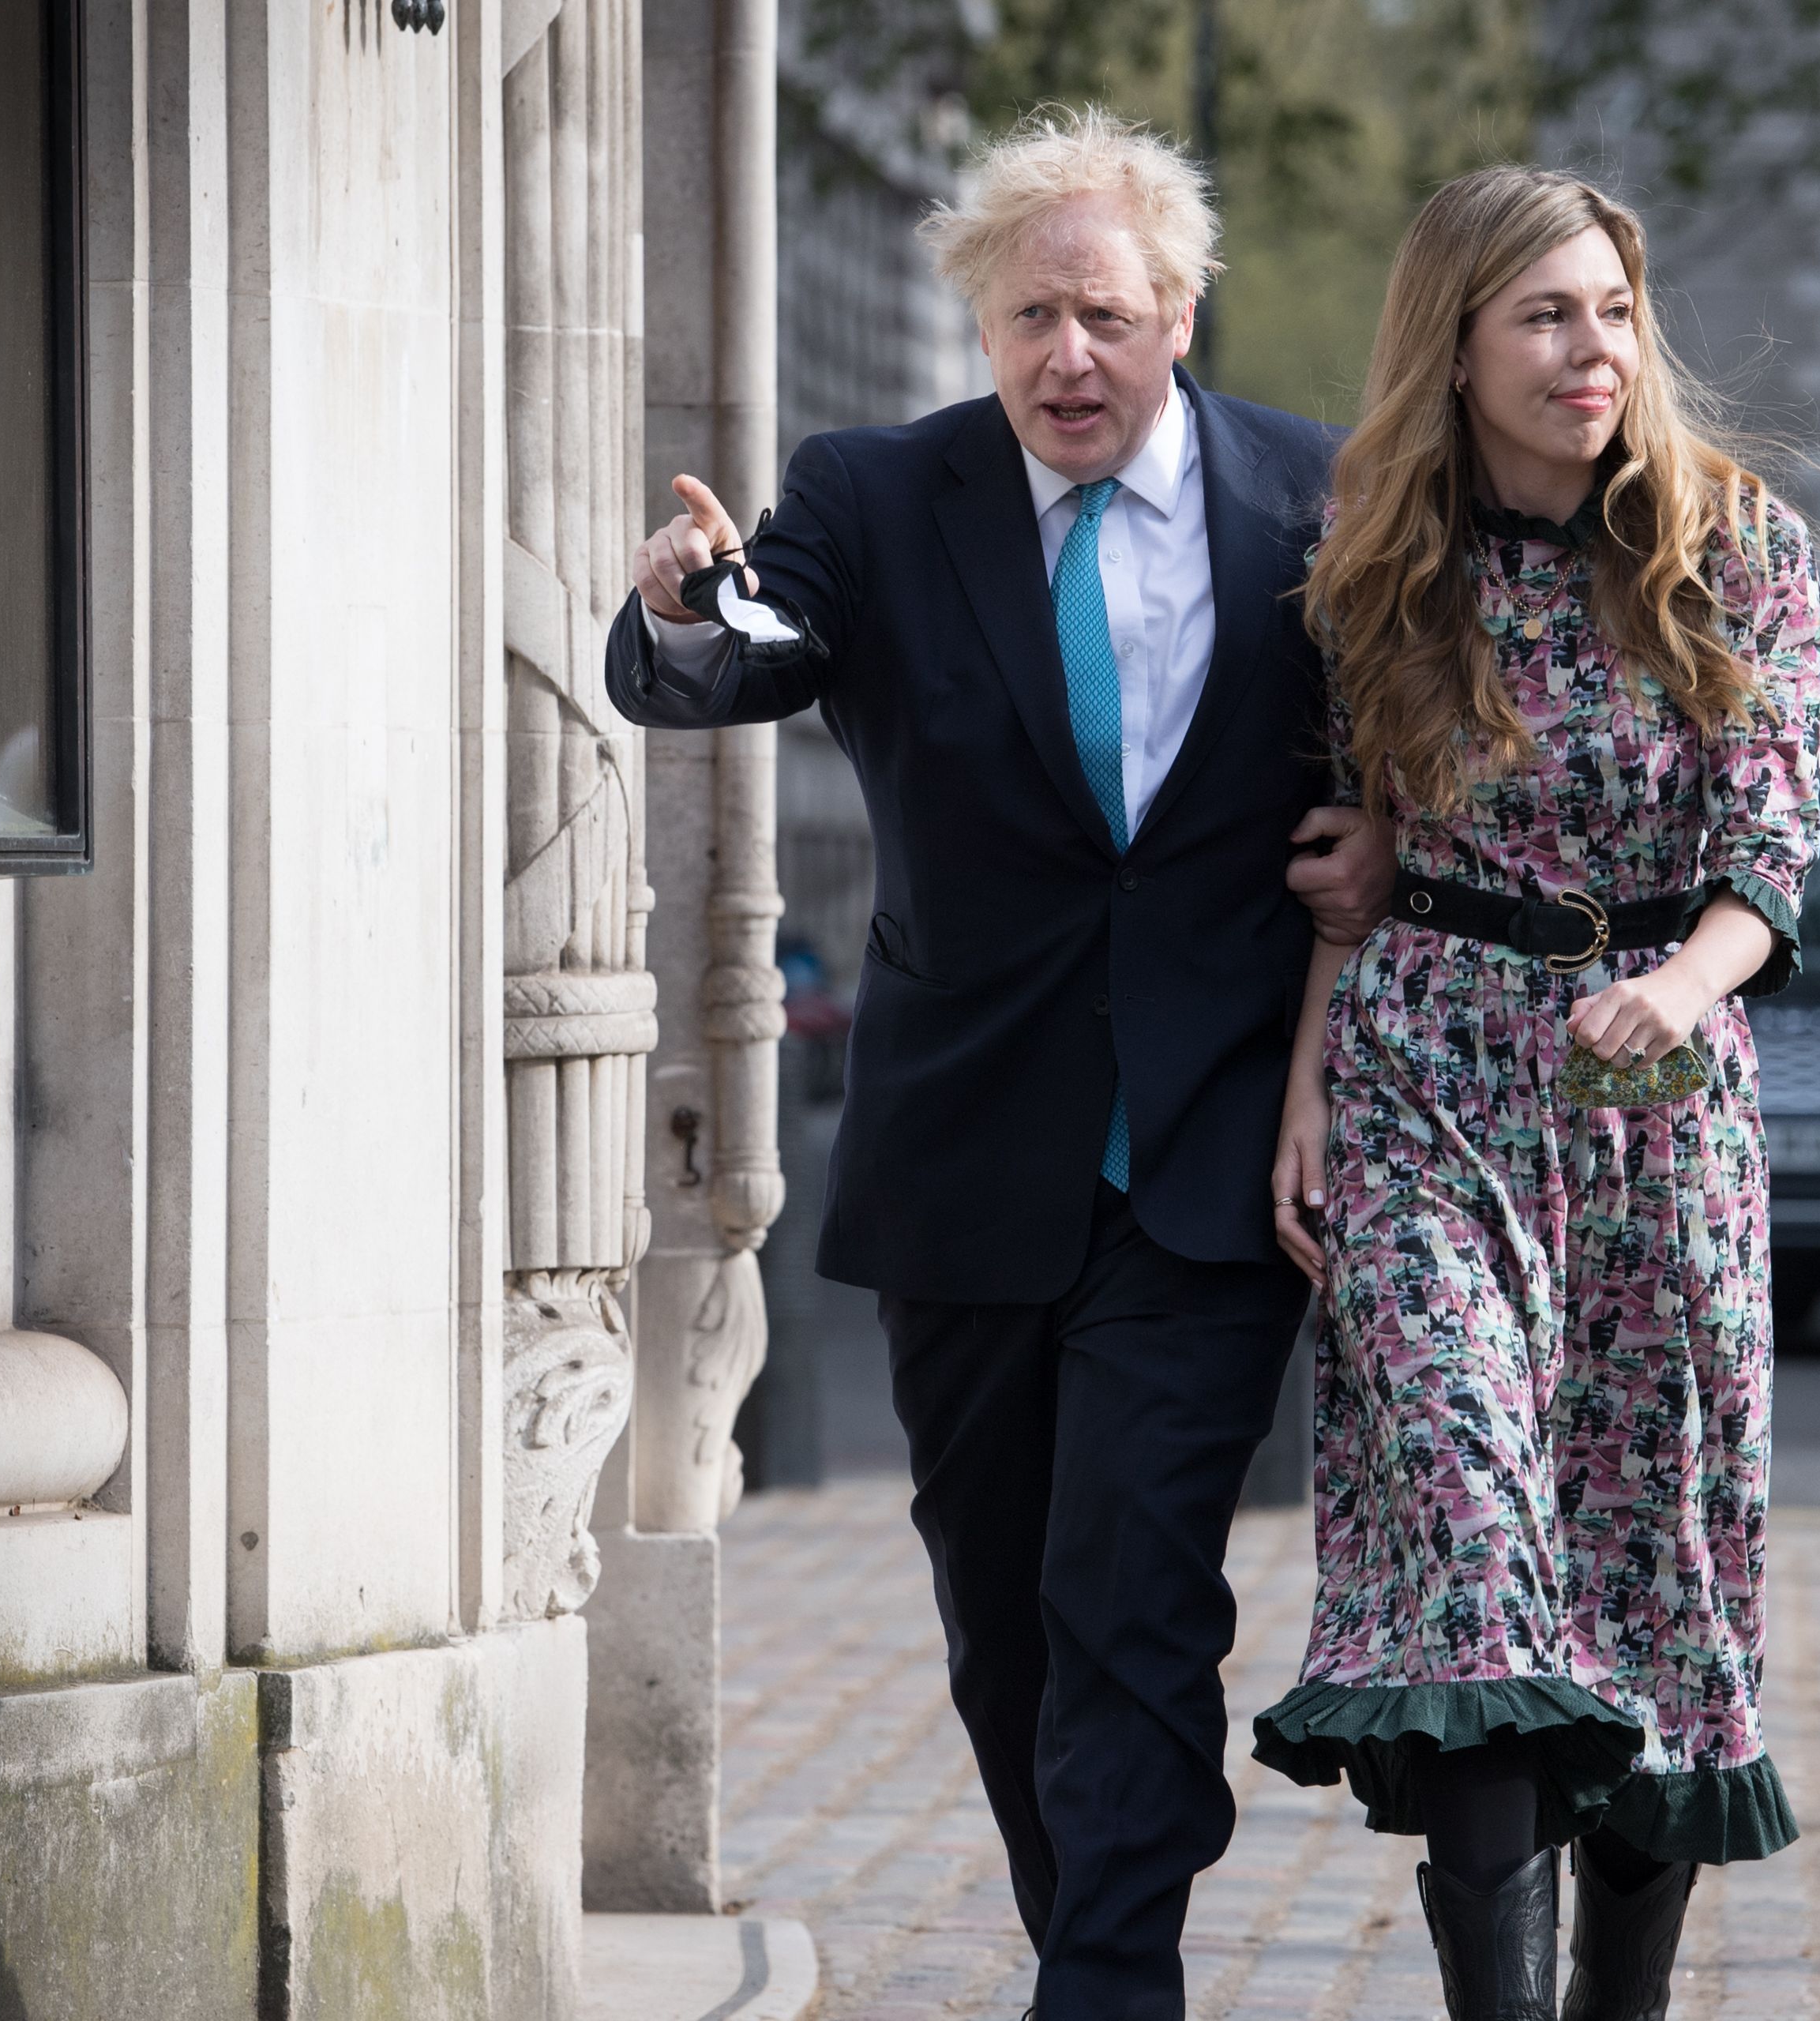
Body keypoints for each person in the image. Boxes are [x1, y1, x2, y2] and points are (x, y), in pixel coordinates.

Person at [605, 107, 1392, 2021]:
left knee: (1132, 1587)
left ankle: (1106, 1987)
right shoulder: (876, 497)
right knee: (1003, 1614)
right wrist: (680, 608)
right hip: (970, 1149)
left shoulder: (1314, 495)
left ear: (1177, 312)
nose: (1067, 358)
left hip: (1206, 1151)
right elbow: (747, 647)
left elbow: (1415, 742)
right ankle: (1093, 1933)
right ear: (979, 320)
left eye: (1105, 316)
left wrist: (1386, 846)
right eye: (1030, 316)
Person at [1249, 166, 1820, 2021]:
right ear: (1457, 343)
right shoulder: (1378, 556)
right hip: (1426, 1071)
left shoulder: (1732, 542)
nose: (1591, 351)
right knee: (1477, 1553)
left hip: (1657, 1100)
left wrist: (1670, 985)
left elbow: (1767, 854)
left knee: (1649, 1569)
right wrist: (1306, 1089)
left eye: (1609, 310)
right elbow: (1360, 850)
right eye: (1543, 316)